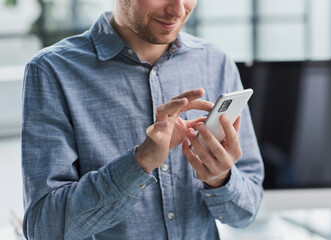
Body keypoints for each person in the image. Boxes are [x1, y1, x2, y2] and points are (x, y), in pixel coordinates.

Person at [21, 0, 264, 239]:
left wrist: (220, 179)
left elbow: (247, 213)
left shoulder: (216, 62)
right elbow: (43, 228)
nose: (178, 11)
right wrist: (141, 161)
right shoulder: (52, 71)